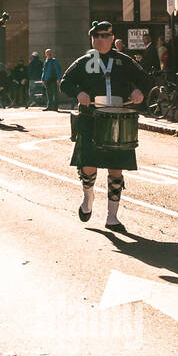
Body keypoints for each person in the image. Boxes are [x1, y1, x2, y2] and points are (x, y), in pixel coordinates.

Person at [59, 20, 149, 233]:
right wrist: (78, 93)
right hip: (91, 119)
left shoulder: (124, 61)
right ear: (92, 39)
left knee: (115, 170)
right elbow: (65, 82)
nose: (100, 40)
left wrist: (139, 91)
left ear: (111, 38)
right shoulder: (85, 61)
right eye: (96, 36)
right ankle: (88, 198)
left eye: (104, 36)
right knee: (89, 166)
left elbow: (145, 79)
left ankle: (112, 217)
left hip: (119, 119)